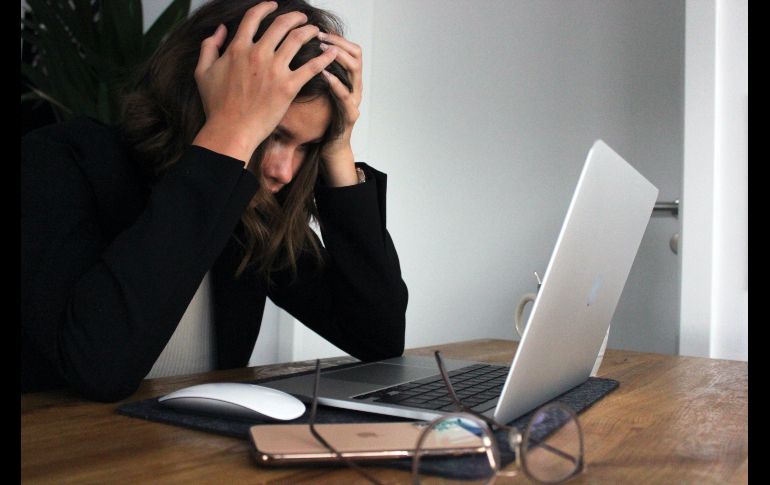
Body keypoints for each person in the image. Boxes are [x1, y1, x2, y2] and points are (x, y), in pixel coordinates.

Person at [21, 0, 408, 401]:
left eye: (306, 147)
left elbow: (377, 337)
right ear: (200, 94)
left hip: (195, 459)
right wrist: (229, 134)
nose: (283, 172)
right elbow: (99, 368)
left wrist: (337, 149)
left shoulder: (248, 210)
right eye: (273, 133)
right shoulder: (55, 163)